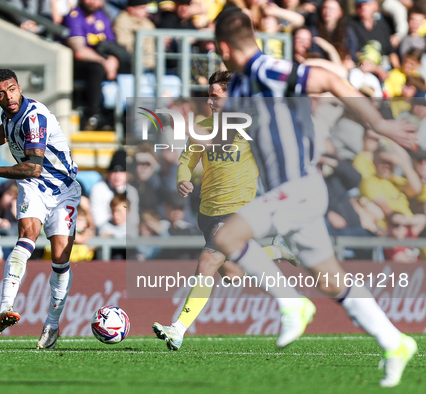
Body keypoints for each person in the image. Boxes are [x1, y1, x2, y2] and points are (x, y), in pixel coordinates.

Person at [154, 9, 417, 387]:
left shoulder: (266, 70)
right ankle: (395, 342)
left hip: (298, 186)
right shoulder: (242, 88)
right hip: (288, 193)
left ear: (224, 47)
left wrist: (378, 122)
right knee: (331, 280)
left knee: (226, 239)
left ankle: (292, 302)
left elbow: (326, 76)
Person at [154, 70, 308, 349]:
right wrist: (183, 179)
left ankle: (178, 329)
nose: (211, 101)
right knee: (233, 273)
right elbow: (187, 161)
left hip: (239, 209)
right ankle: (277, 251)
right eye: (209, 96)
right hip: (208, 210)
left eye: (217, 96)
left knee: (207, 263)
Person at [0, 69, 81, 350]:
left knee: (60, 258)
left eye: (11, 90)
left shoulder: (34, 117)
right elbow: (5, 131)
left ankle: (52, 324)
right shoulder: (9, 114)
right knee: (26, 237)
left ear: (19, 88)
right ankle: (5, 308)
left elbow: (33, 167)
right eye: (0, 93)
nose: (7, 97)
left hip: (61, 190)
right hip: (33, 187)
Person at [62, 0, 131, 130]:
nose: (95, 3)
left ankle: (121, 117)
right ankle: (91, 115)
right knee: (96, 68)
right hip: (74, 66)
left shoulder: (102, 17)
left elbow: (111, 46)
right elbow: (79, 52)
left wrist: (113, 60)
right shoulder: (74, 16)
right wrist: (104, 62)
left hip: (99, 63)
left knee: (126, 65)